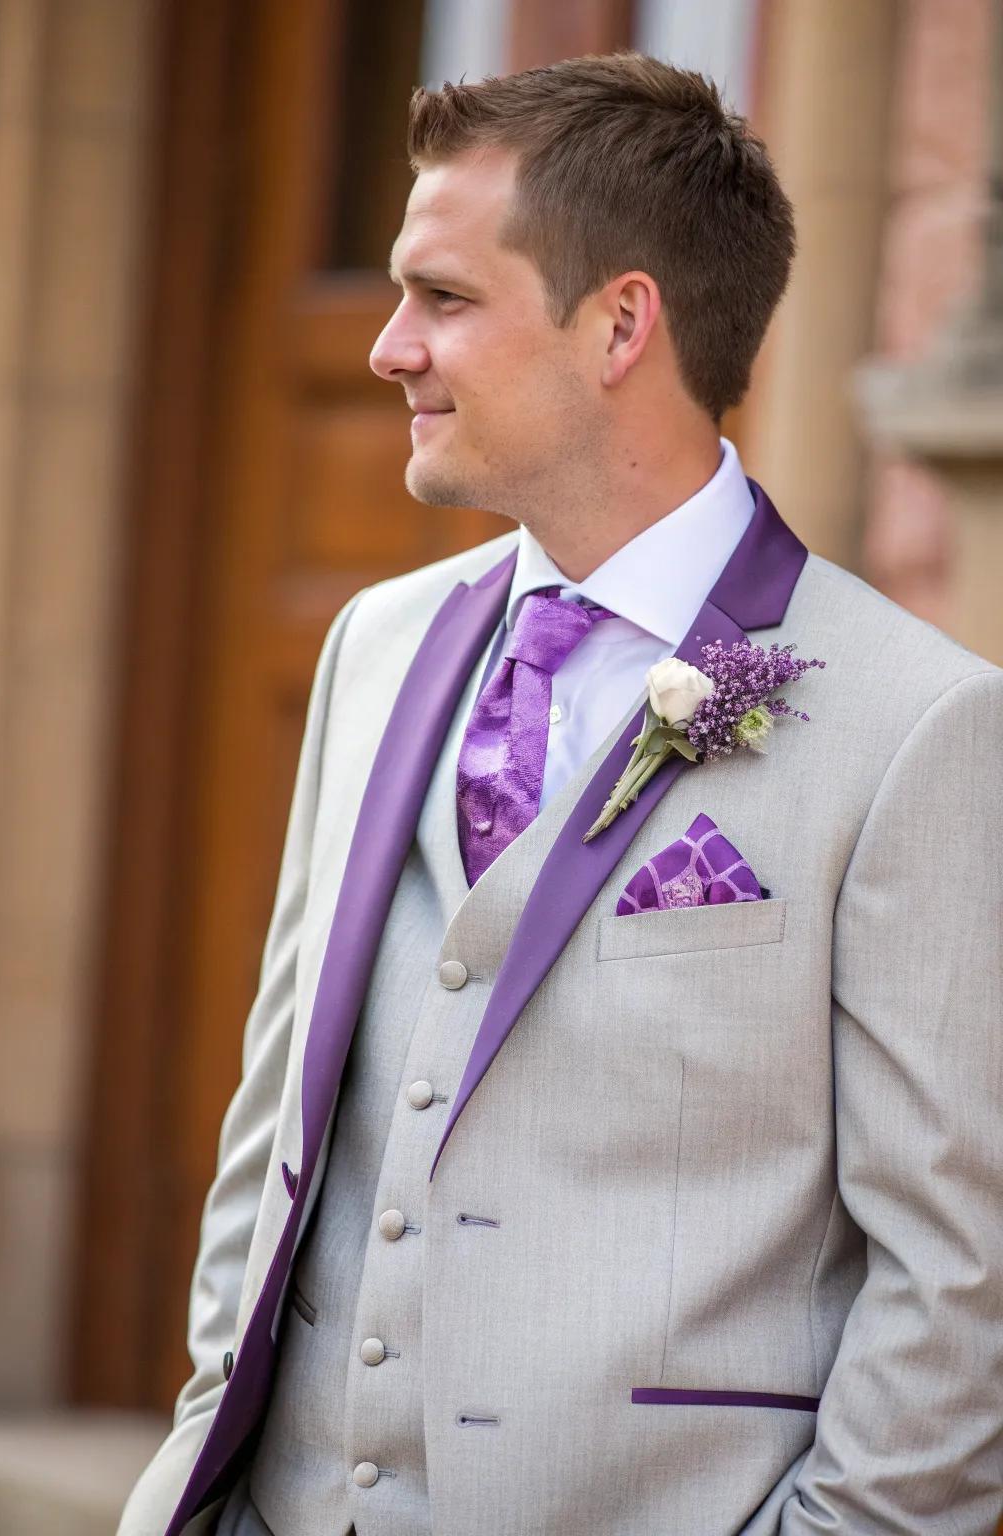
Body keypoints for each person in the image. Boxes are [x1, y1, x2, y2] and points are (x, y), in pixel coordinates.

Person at [119, 51, 1003, 1536]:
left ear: (621, 325)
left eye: (445, 299)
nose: (389, 347)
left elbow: (962, 1277)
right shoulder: (375, 647)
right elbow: (282, 1122)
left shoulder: (920, 726)